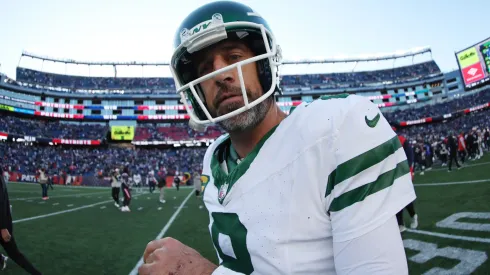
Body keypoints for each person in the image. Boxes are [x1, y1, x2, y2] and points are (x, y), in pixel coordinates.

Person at [138, 1, 416, 274]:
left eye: (233, 57)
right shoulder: (214, 158)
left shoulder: (337, 129)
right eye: (205, 70)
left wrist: (204, 273)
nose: (221, 75)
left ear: (264, 66)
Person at [0, 166, 42, 274]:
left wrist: (3, 227)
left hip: (2, 226)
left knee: (15, 255)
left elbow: (1, 204)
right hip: (4, 224)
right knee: (16, 255)